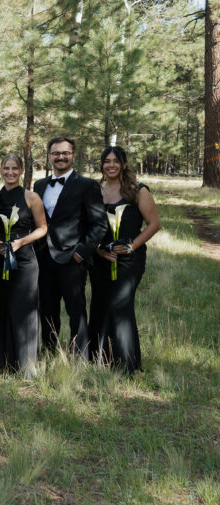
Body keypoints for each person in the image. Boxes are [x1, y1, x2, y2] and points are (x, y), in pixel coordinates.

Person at [33, 137, 108, 359]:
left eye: (65, 153)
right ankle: (50, 353)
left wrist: (81, 252)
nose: (60, 157)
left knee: (76, 310)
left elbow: (99, 224)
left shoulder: (87, 185)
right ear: (49, 156)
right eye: (56, 153)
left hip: (72, 259)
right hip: (43, 258)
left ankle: (80, 356)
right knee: (47, 309)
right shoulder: (39, 185)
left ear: (73, 155)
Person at [89, 146, 160, 373]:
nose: (111, 165)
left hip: (130, 260)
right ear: (101, 165)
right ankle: (99, 359)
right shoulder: (94, 190)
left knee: (121, 306)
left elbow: (154, 225)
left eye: (116, 161)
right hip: (101, 259)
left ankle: (127, 364)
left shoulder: (137, 191)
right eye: (107, 161)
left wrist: (131, 246)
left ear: (124, 164)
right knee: (100, 305)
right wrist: (98, 250)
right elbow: (88, 226)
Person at [0, 154, 47, 377]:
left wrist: (20, 242)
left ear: (21, 171)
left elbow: (42, 228)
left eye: (14, 168)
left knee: (23, 309)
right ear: (0, 169)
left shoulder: (31, 198)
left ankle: (26, 364)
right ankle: (2, 361)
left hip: (24, 259)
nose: (10, 172)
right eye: (6, 168)